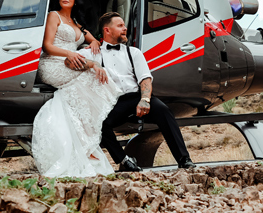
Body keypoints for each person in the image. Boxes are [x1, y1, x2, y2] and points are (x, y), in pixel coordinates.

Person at [74, 12, 197, 172]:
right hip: (113, 102)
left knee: (164, 111)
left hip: (137, 97)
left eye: (124, 25)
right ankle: (124, 160)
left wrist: (145, 99)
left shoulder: (134, 53)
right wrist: (92, 60)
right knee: (99, 123)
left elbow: (145, 79)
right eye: (120, 26)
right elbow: (68, 61)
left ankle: (184, 159)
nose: (125, 28)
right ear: (107, 30)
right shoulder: (92, 52)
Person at [30, 0, 121, 177]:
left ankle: (86, 143)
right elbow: (47, 46)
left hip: (72, 62)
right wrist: (71, 53)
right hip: (53, 63)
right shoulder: (53, 16)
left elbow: (90, 38)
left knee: (91, 74)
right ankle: (87, 145)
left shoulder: (76, 22)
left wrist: (95, 41)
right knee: (90, 74)